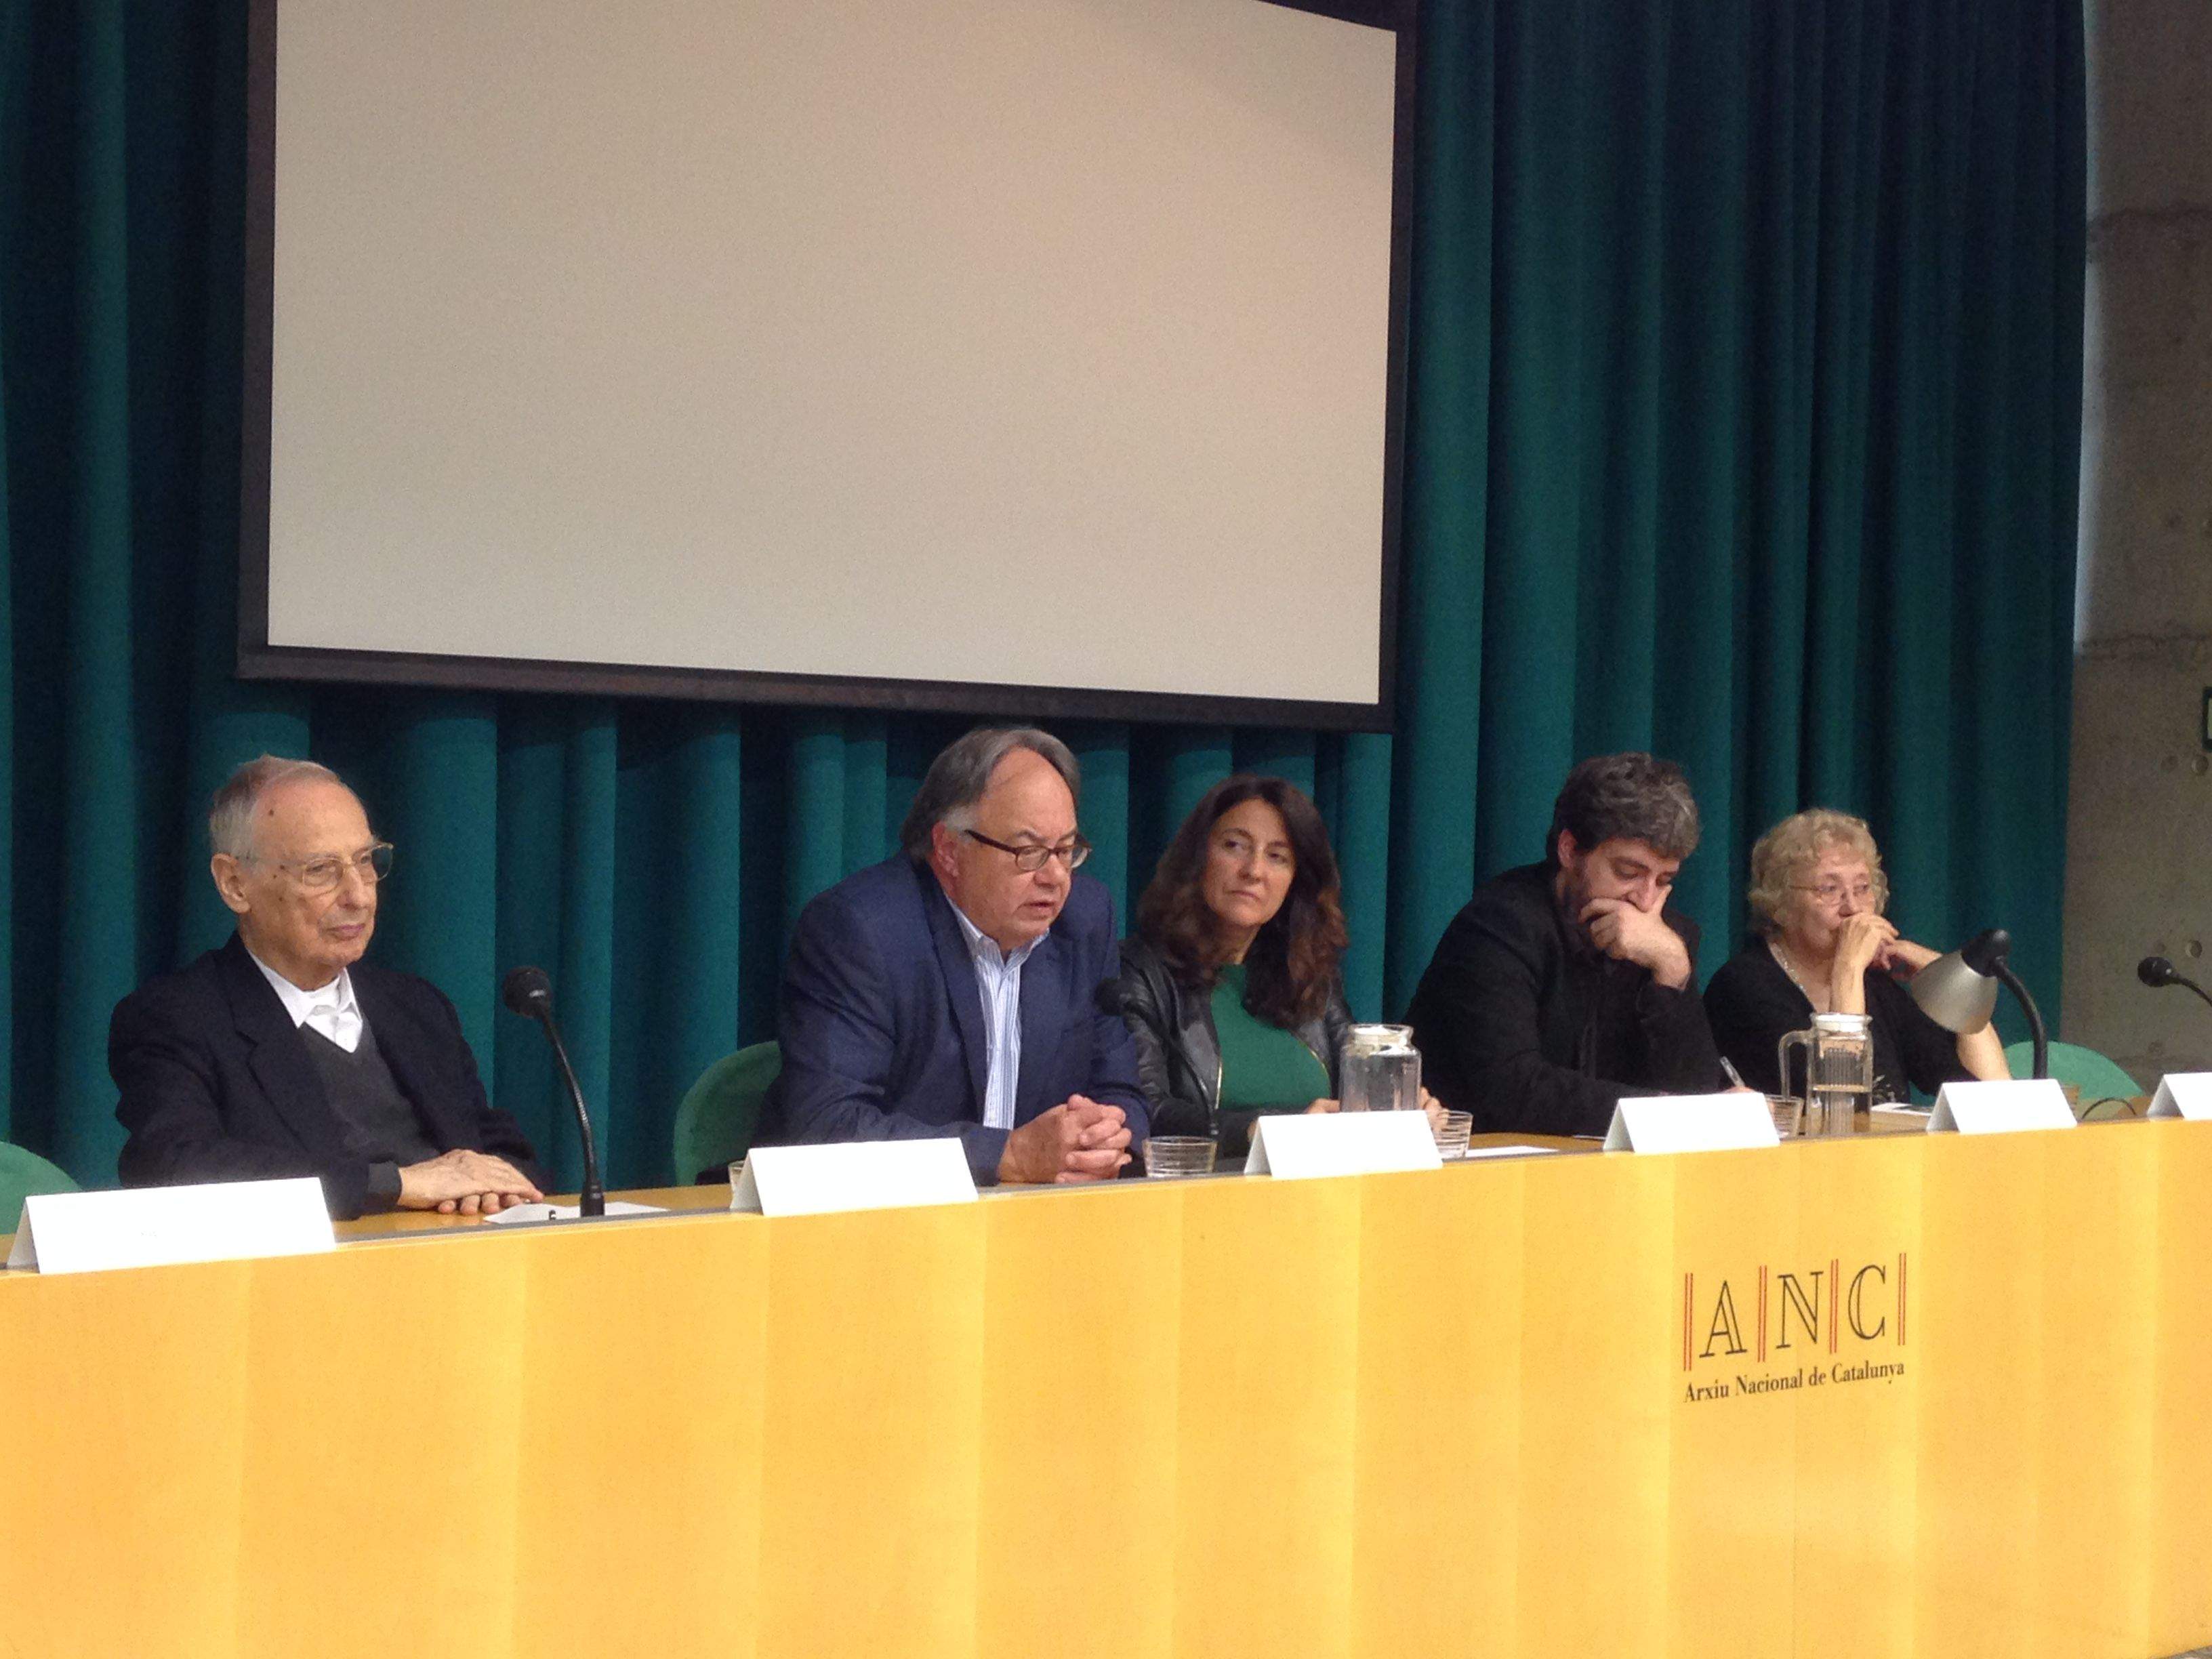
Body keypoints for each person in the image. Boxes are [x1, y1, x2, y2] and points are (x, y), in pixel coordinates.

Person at [112, 756, 543, 1221]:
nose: (358, 894)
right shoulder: (179, 1018)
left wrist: (497, 1186)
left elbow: (499, 1151)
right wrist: (397, 1184)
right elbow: (175, 1167)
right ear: (235, 884)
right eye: (321, 870)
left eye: (365, 861)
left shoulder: (416, 1007)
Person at [769, 726, 1149, 1185]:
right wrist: (1006, 1156)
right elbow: (827, 1127)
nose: (1054, 877)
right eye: (1029, 852)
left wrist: (1103, 1138)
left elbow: (1122, 1092)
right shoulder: (862, 931)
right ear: (950, 849)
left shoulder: (1084, 921)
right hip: (878, 1225)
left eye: (1066, 851)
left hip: (1038, 1223)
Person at [1404, 752, 1727, 1137]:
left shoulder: (1664, 940)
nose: (1646, 900)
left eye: (1664, 880)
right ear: (1570, 851)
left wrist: (1674, 969)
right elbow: (1514, 1090)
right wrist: (1661, 1111)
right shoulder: (1498, 926)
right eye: (1628, 873)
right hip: (1481, 1169)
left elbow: (1698, 1096)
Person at [1111, 775, 1375, 1162]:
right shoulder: (1142, 971)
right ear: (1200, 857)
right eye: (1235, 846)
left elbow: (1355, 1091)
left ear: (1295, 881)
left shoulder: (1310, 974)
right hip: (1201, 1199)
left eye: (1277, 856)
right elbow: (1143, 1111)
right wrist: (1260, 1131)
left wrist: (1399, 1107)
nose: (1253, 870)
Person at [1703, 808, 2009, 1101]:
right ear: (1780, 904)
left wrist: (1948, 978)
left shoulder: (1878, 988)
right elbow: (1836, 1099)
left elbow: (1990, 1093)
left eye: (1863, 888)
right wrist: (1848, 968)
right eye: (1829, 889)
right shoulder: (1743, 985)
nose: (1853, 908)